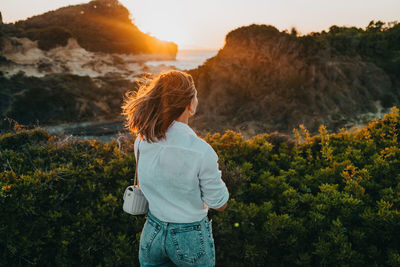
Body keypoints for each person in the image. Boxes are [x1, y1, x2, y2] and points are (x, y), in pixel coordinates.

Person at [121, 70, 229, 266]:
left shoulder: (142, 140)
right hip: (190, 236)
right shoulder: (201, 151)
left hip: (152, 231)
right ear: (189, 104)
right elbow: (219, 203)